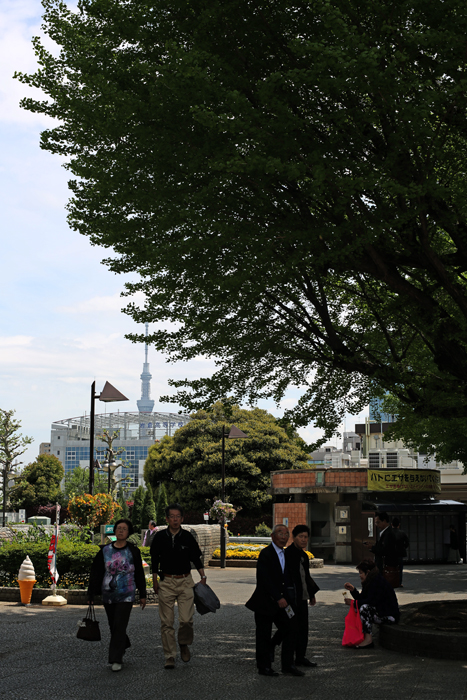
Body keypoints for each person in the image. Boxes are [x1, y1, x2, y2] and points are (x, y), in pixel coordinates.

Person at [150, 503, 207, 669]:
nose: (175, 519)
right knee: (166, 622)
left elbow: (196, 558)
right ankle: (169, 656)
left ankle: (183, 643)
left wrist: (203, 576)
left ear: (182, 518)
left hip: (185, 581)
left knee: (186, 620)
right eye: (171, 516)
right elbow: (154, 559)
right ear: (167, 519)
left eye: (178, 516)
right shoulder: (159, 537)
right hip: (166, 582)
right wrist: (154, 578)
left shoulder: (188, 537)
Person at [88, 518, 147, 672]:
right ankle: (123, 643)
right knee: (113, 625)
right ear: (114, 530)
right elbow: (96, 572)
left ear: (128, 532)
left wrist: (142, 593)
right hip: (108, 595)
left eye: (124, 529)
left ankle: (116, 658)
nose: (121, 531)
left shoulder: (133, 551)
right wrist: (91, 593)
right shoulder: (105, 550)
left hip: (126, 594)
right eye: (119, 528)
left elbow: (139, 573)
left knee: (120, 624)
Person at [245, 524, 304, 677]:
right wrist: (278, 597)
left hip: (284, 602)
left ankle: (288, 664)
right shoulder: (266, 554)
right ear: (272, 536)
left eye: (286, 534)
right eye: (280, 533)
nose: (283, 536)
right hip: (265, 601)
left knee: (291, 628)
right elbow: (265, 579)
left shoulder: (288, 555)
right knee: (263, 634)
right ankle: (264, 666)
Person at [271, 524, 320, 668]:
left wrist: (311, 594)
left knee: (303, 628)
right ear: (294, 537)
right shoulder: (288, 554)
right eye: (301, 537)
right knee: (290, 627)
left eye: (306, 537)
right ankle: (276, 647)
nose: (304, 540)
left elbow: (306, 577)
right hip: (291, 598)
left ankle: (300, 656)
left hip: (302, 597)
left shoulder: (304, 555)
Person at [344, 559, 400, 649]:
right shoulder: (371, 581)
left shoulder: (377, 582)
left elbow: (370, 601)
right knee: (360, 607)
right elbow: (363, 598)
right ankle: (364, 638)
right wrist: (353, 590)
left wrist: (353, 603)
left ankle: (368, 640)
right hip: (381, 612)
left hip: (389, 616)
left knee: (364, 608)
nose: (360, 576)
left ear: (368, 572)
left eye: (361, 573)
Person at [392, 517, 409, 586]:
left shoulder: (388, 533)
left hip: (391, 554)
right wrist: (403, 548)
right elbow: (407, 543)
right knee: (400, 569)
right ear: (399, 525)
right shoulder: (402, 533)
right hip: (400, 554)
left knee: (391, 568)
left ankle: (391, 580)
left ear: (391, 524)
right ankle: (399, 582)